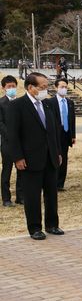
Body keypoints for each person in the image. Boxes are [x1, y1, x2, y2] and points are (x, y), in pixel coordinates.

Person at [7, 72, 63, 240]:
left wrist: (58, 151)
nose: (45, 90)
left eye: (47, 87)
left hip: (50, 157)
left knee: (51, 193)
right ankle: (35, 228)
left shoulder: (48, 105)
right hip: (29, 159)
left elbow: (54, 131)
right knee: (32, 195)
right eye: (42, 87)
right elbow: (12, 135)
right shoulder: (17, 106)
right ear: (31, 87)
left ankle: (52, 224)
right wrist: (17, 157)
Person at [45, 78, 76, 192]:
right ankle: (52, 182)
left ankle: (60, 183)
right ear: (56, 88)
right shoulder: (50, 102)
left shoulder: (70, 102)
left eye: (65, 87)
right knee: (55, 157)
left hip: (66, 133)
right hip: (55, 134)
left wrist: (73, 135)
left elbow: (72, 120)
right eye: (61, 87)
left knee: (64, 158)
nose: (64, 89)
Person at [0, 76, 22, 206]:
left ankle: (21, 197)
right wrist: (11, 136)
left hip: (21, 143)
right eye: (9, 87)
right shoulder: (1, 103)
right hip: (7, 143)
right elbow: (0, 123)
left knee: (22, 170)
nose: (12, 89)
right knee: (6, 170)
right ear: (3, 88)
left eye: (13, 86)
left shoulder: (20, 103)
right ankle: (6, 199)